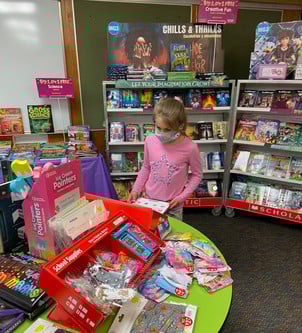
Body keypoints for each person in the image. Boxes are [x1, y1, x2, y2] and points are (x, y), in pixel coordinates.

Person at [128, 98, 201, 220]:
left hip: (173, 205)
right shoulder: (150, 141)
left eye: (167, 130)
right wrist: (136, 189)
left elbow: (197, 175)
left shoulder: (190, 147)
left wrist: (182, 197)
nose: (161, 133)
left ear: (180, 126)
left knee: (171, 236)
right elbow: (146, 168)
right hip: (149, 201)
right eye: (158, 127)